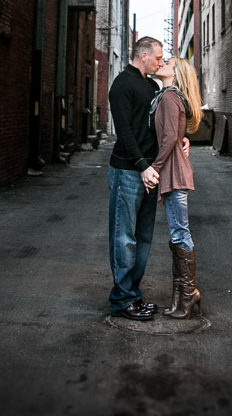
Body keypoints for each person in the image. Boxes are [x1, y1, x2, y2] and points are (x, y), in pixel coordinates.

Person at [107, 36, 164, 321]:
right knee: (124, 236)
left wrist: (182, 139)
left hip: (149, 171)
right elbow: (125, 131)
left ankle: (133, 294)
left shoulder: (152, 86)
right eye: (158, 58)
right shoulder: (122, 85)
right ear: (143, 56)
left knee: (143, 237)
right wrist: (142, 165)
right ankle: (122, 300)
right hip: (128, 172)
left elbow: (157, 125)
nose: (160, 63)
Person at [147, 56, 203, 319]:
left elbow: (170, 138)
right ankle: (179, 298)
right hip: (173, 172)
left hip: (174, 173)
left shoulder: (170, 97)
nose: (162, 64)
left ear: (176, 74)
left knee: (180, 234)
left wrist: (155, 168)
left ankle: (188, 294)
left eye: (167, 62)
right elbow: (175, 134)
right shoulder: (167, 96)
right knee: (177, 236)